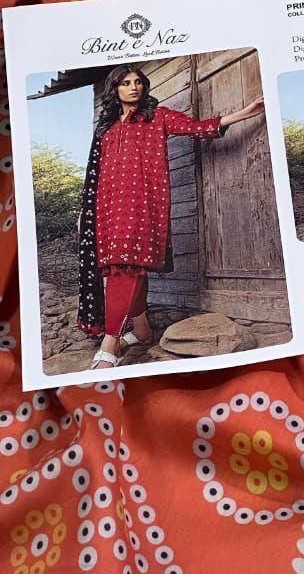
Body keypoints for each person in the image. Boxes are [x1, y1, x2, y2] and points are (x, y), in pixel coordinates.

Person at [76, 65, 265, 368]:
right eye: (126, 83)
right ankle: (141, 329)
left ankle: (111, 343)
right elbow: (95, 175)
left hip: (141, 205)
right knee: (120, 268)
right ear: (115, 89)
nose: (133, 87)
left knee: (127, 266)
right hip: (108, 207)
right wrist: (86, 211)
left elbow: (197, 127)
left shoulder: (158, 117)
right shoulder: (106, 129)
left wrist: (244, 113)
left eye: (138, 82)